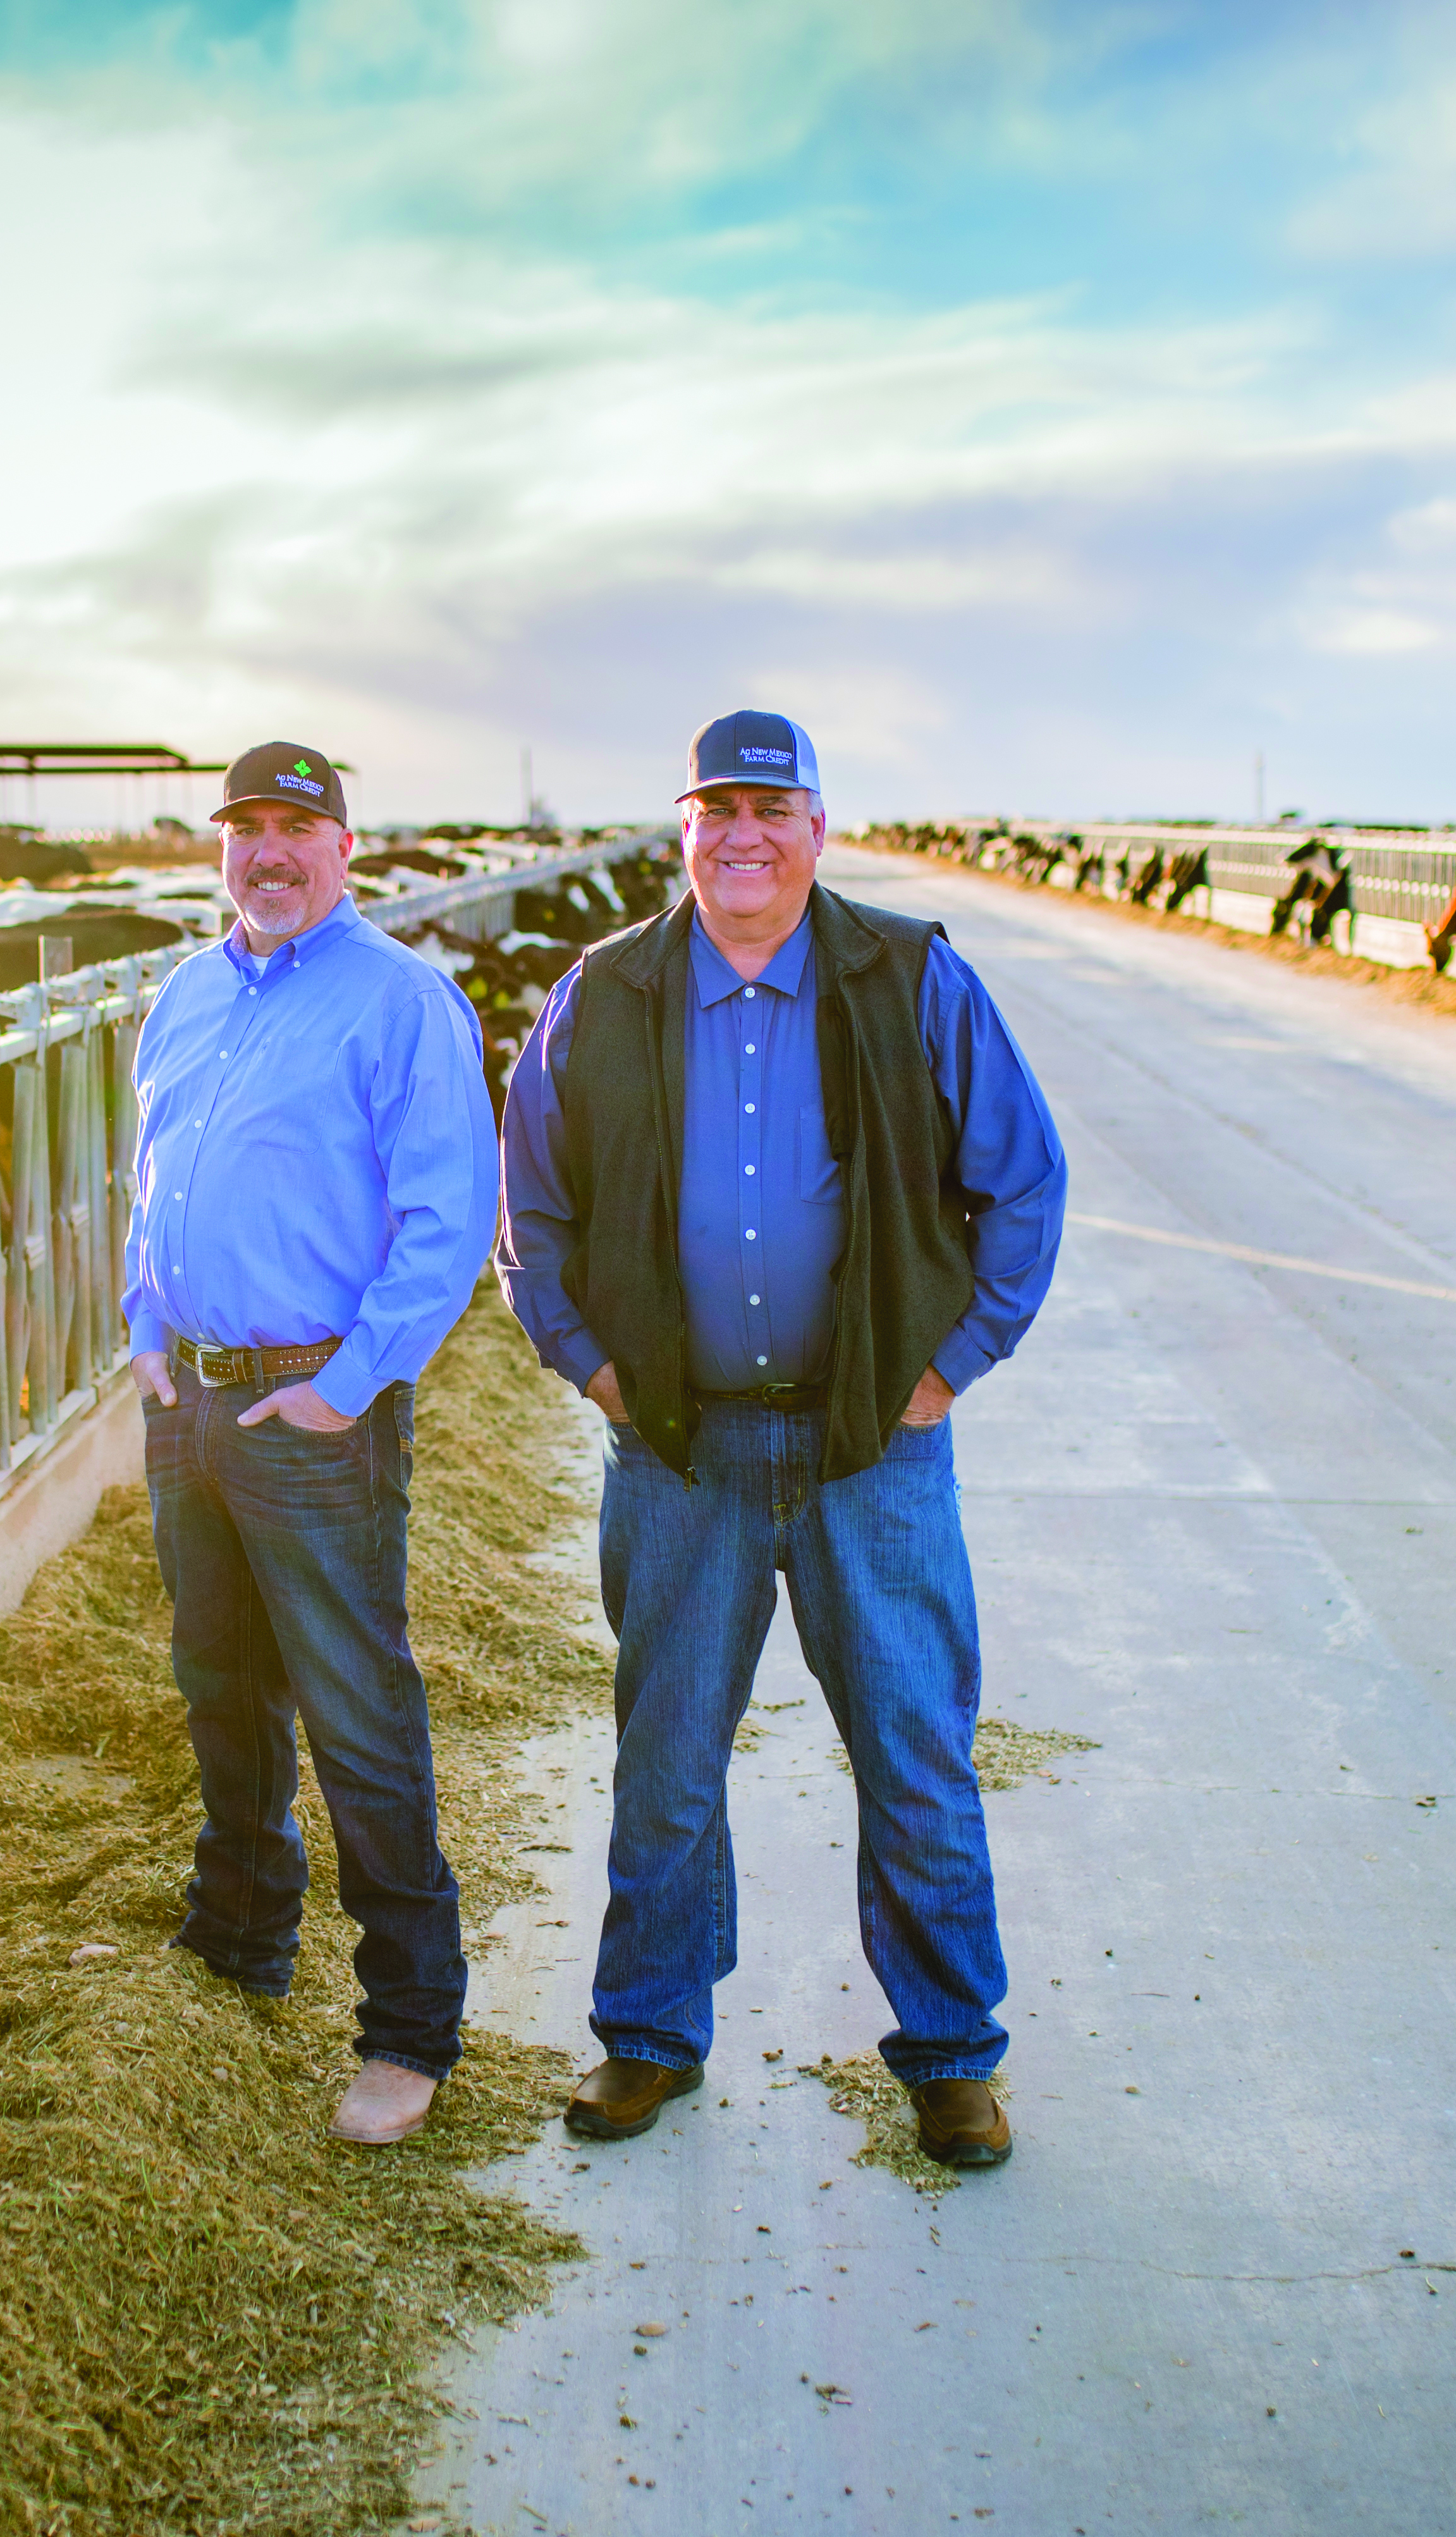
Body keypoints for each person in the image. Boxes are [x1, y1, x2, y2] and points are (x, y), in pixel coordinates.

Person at [498, 709, 1067, 2168]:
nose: (742, 834)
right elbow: (536, 1206)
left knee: (917, 1754)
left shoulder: (912, 976)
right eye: (715, 807)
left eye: (771, 805)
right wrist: (591, 1368)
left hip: (871, 1447)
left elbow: (1024, 1181)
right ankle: (647, 2034)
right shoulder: (608, 988)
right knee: (668, 1755)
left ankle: (951, 2053)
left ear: (818, 826)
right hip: (682, 1448)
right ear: (681, 829)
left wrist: (946, 1367)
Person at [124, 739, 501, 2145]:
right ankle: (237, 1944)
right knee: (220, 1685)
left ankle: (410, 2026)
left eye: (296, 828)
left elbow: (448, 1217)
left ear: (345, 847)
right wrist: (144, 1318)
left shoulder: (402, 1000)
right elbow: (154, 1176)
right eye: (246, 831)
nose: (268, 853)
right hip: (195, 1405)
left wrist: (348, 1387)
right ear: (221, 848)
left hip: (310, 1408)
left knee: (358, 1709)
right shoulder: (185, 990)